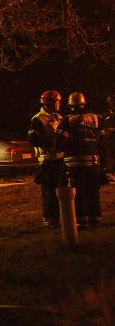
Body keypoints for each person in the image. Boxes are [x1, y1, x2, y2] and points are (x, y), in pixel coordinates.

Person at [54, 92, 102, 228]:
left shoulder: (67, 121)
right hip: (93, 163)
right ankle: (95, 219)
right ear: (83, 104)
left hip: (74, 164)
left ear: (70, 106)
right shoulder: (95, 119)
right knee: (93, 191)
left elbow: (59, 143)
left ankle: (82, 221)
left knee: (78, 193)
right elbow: (103, 142)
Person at [28, 90, 64, 228]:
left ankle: (63, 218)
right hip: (47, 161)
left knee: (62, 191)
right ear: (51, 103)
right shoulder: (38, 119)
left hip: (60, 159)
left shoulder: (59, 118)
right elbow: (33, 139)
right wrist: (53, 142)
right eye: (58, 102)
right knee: (49, 193)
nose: (59, 104)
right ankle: (50, 221)